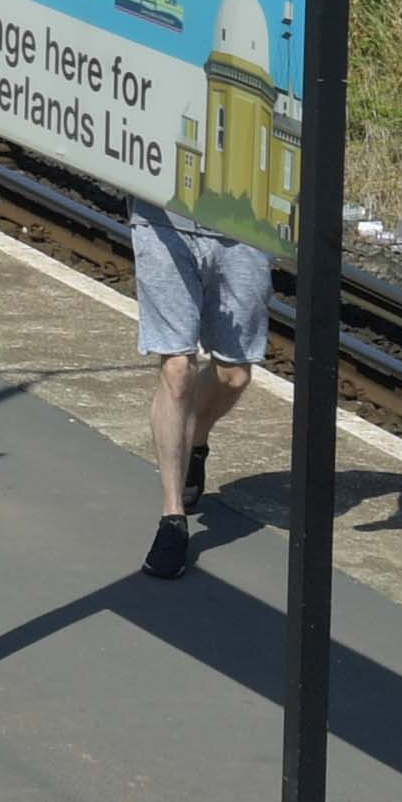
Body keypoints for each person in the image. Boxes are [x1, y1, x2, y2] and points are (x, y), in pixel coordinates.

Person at [136, 198, 269, 581]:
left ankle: (194, 439)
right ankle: (172, 518)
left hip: (243, 224)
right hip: (161, 218)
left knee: (234, 375)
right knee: (177, 369)